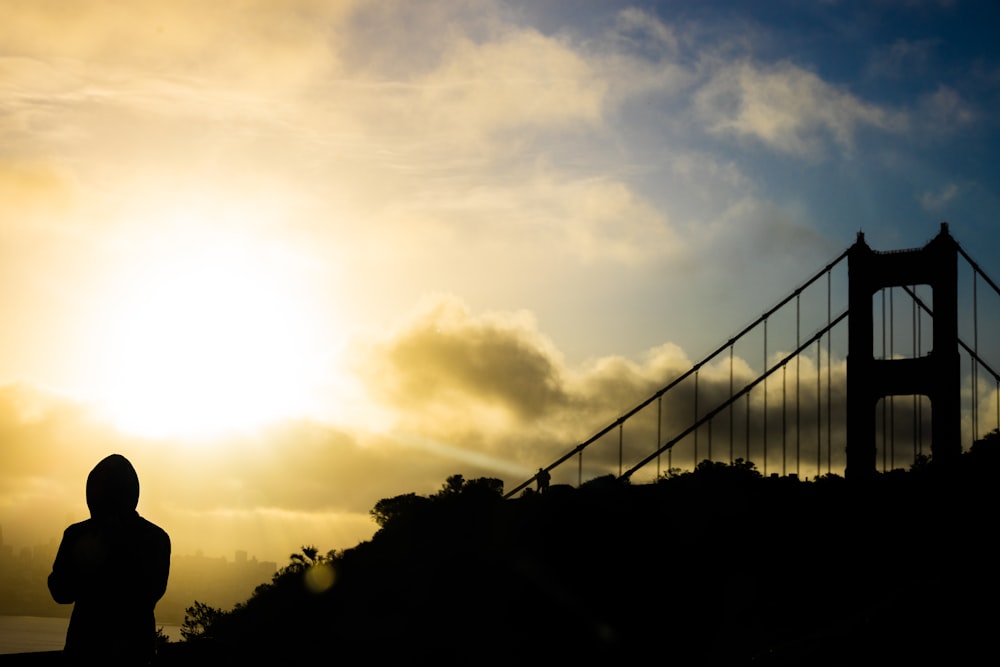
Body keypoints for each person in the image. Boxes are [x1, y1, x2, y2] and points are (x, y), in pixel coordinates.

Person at [48, 454, 171, 666]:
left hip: (87, 652)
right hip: (133, 653)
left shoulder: (78, 535)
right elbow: (150, 594)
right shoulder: (155, 538)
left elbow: (61, 591)